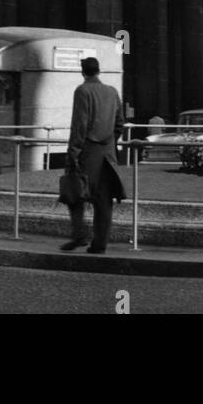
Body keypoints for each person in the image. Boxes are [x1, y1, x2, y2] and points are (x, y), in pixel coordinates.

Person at [61, 56, 126, 255]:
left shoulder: (82, 91)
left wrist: (73, 152)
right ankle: (100, 243)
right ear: (98, 70)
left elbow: (80, 125)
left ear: (83, 72)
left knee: (75, 192)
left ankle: (79, 234)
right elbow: (119, 123)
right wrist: (110, 144)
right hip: (108, 153)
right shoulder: (112, 92)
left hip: (88, 151)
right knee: (104, 200)